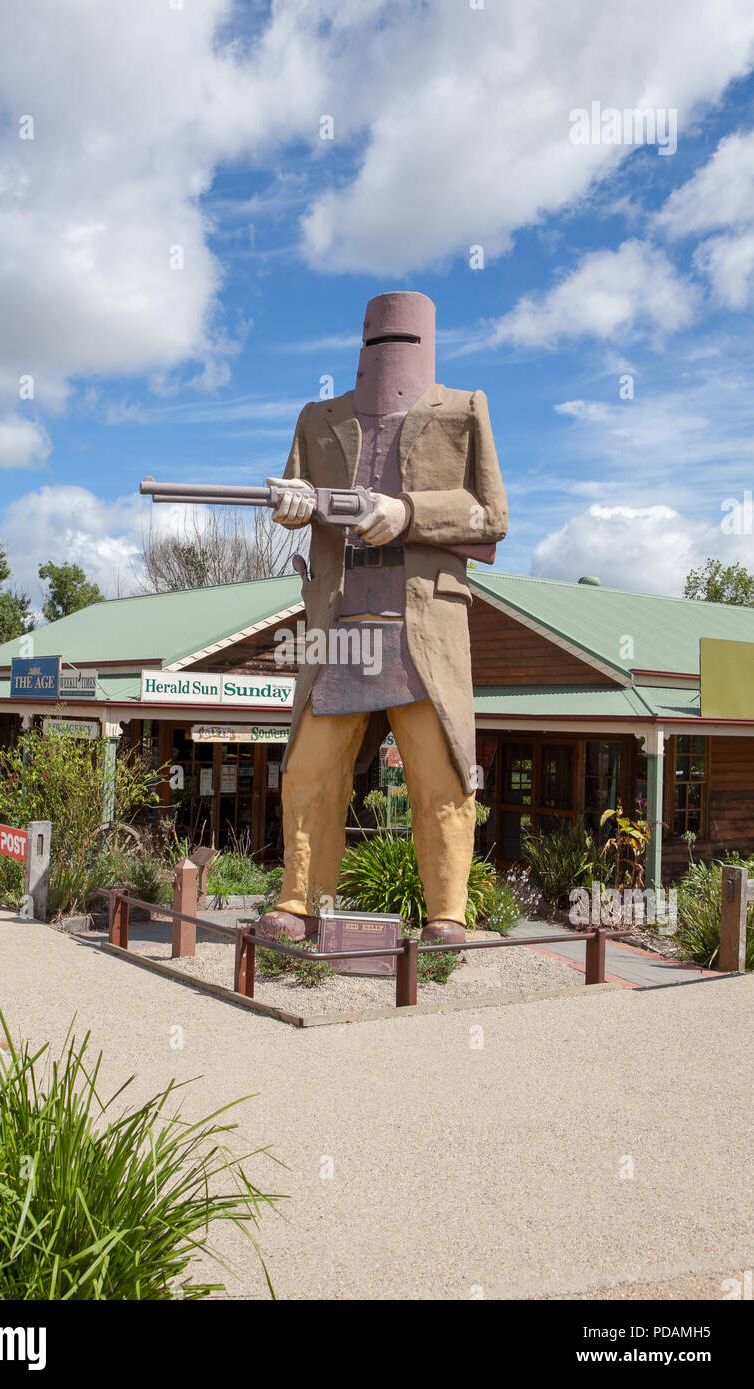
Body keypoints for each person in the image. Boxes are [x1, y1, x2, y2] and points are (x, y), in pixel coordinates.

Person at [258, 291, 508, 944]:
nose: (386, 354)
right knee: (310, 770)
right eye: (378, 341)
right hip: (338, 629)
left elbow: (491, 517)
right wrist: (293, 505)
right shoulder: (317, 419)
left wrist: (409, 513)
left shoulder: (464, 410)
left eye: (397, 341)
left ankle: (448, 916)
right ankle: (299, 903)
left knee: (441, 774)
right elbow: (297, 496)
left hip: (422, 632)